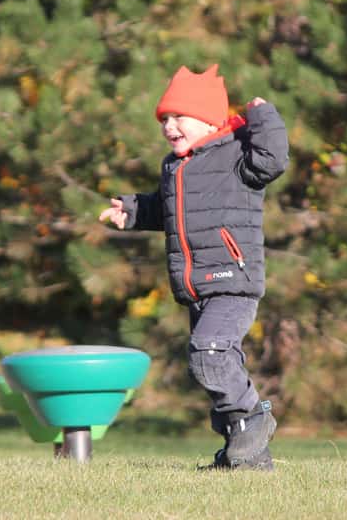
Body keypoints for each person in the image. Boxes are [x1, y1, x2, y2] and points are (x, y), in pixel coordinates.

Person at [99, 64, 289, 470]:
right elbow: (168, 210)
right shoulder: (176, 167)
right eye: (164, 119)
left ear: (209, 120)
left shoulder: (238, 155)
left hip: (232, 281)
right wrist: (133, 211)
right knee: (218, 361)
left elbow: (273, 160)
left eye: (179, 116)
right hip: (197, 286)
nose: (169, 126)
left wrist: (263, 116)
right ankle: (247, 459)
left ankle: (255, 418)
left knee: (209, 353)